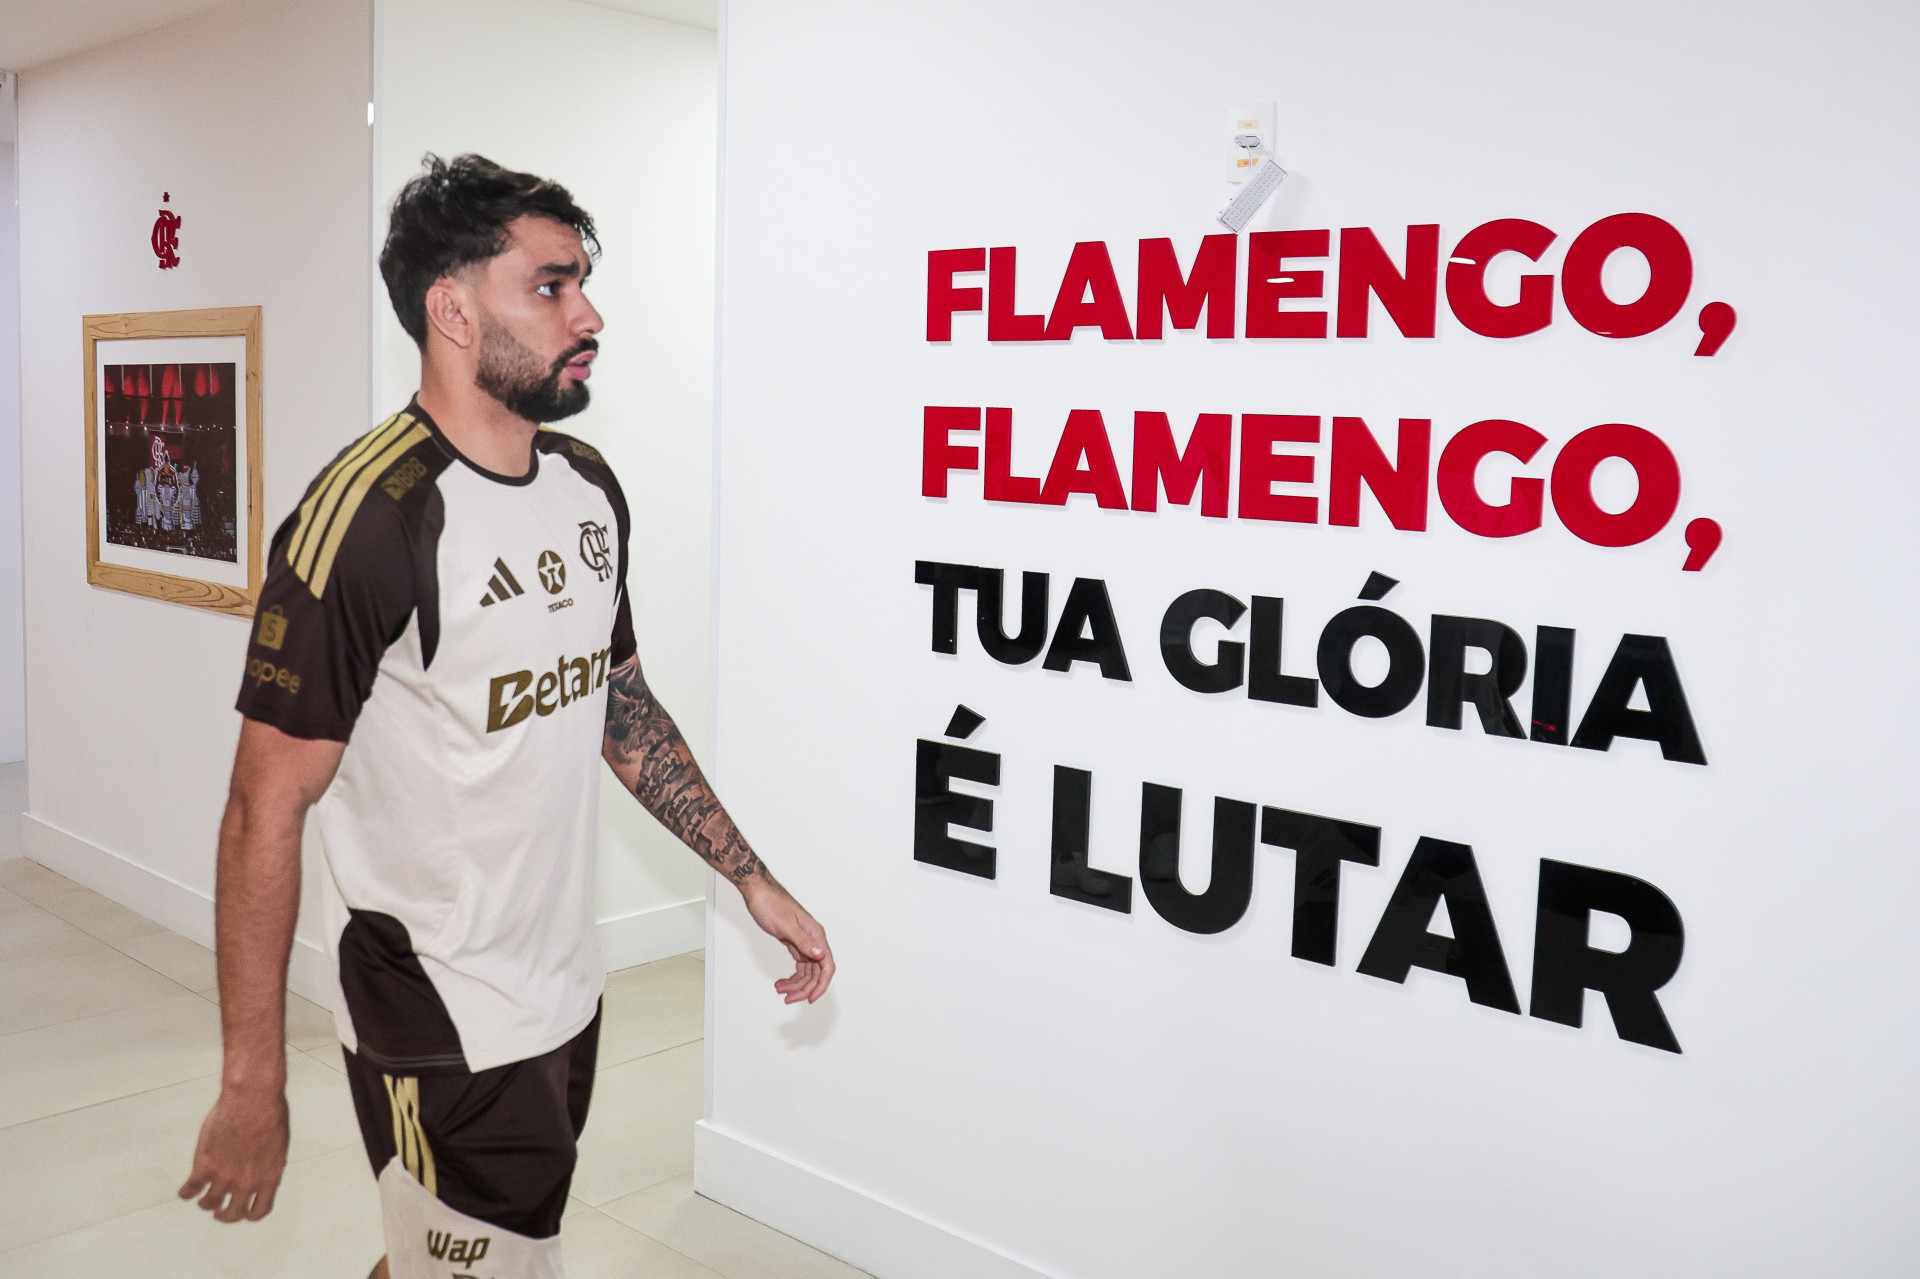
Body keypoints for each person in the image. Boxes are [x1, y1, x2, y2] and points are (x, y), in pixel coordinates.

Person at [177, 154, 834, 1279]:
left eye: (582, 284)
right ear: (452, 309)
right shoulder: (370, 519)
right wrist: (251, 1078)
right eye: (550, 286)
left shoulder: (587, 486)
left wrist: (749, 876)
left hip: (562, 985)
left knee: (452, 1257)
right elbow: (261, 807)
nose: (589, 316)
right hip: (433, 1007)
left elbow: (620, 702)